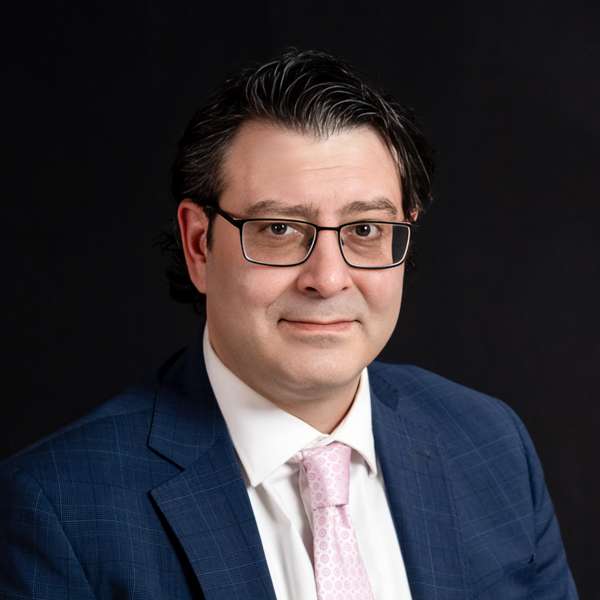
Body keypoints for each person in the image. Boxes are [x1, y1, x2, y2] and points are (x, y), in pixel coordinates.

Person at [0, 49, 577, 600]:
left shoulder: (491, 443)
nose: (327, 279)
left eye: (366, 230)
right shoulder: (56, 508)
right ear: (199, 245)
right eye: (278, 229)